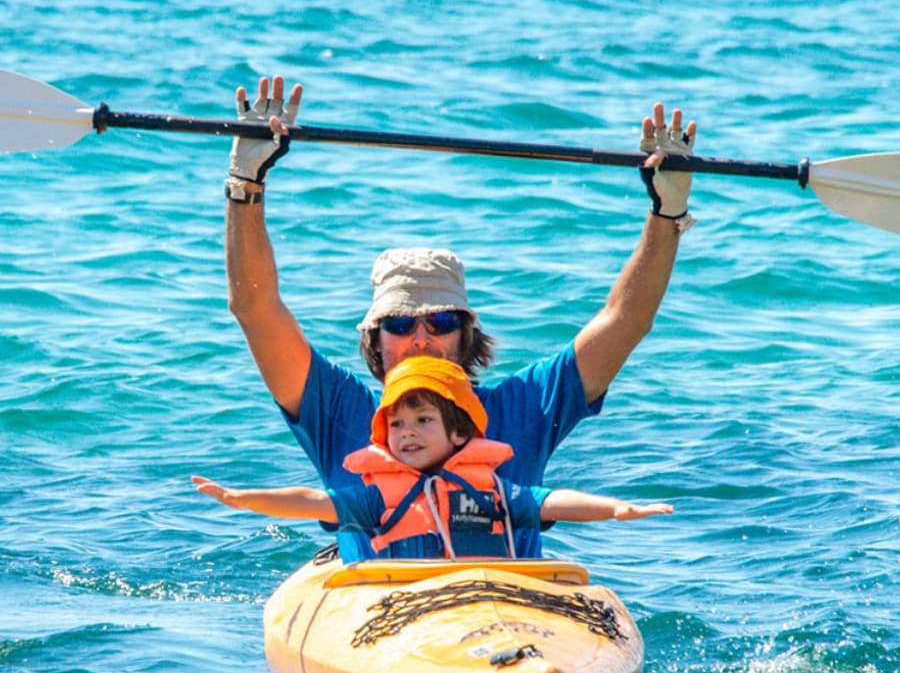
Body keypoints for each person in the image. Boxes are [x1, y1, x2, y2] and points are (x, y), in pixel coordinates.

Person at [223, 74, 696, 497]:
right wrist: (246, 183)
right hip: (378, 594)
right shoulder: (337, 409)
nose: (422, 339)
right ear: (374, 340)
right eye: (401, 324)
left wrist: (666, 213)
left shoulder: (523, 408)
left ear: (465, 333)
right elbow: (255, 307)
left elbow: (627, 320)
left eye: (441, 321)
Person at [193, 356, 673, 562]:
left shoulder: (493, 493)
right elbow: (315, 502)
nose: (407, 434)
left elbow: (552, 504)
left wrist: (616, 509)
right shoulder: (379, 498)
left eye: (423, 421)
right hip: (404, 606)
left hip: (486, 599)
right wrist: (244, 498)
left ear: (460, 432)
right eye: (397, 425)